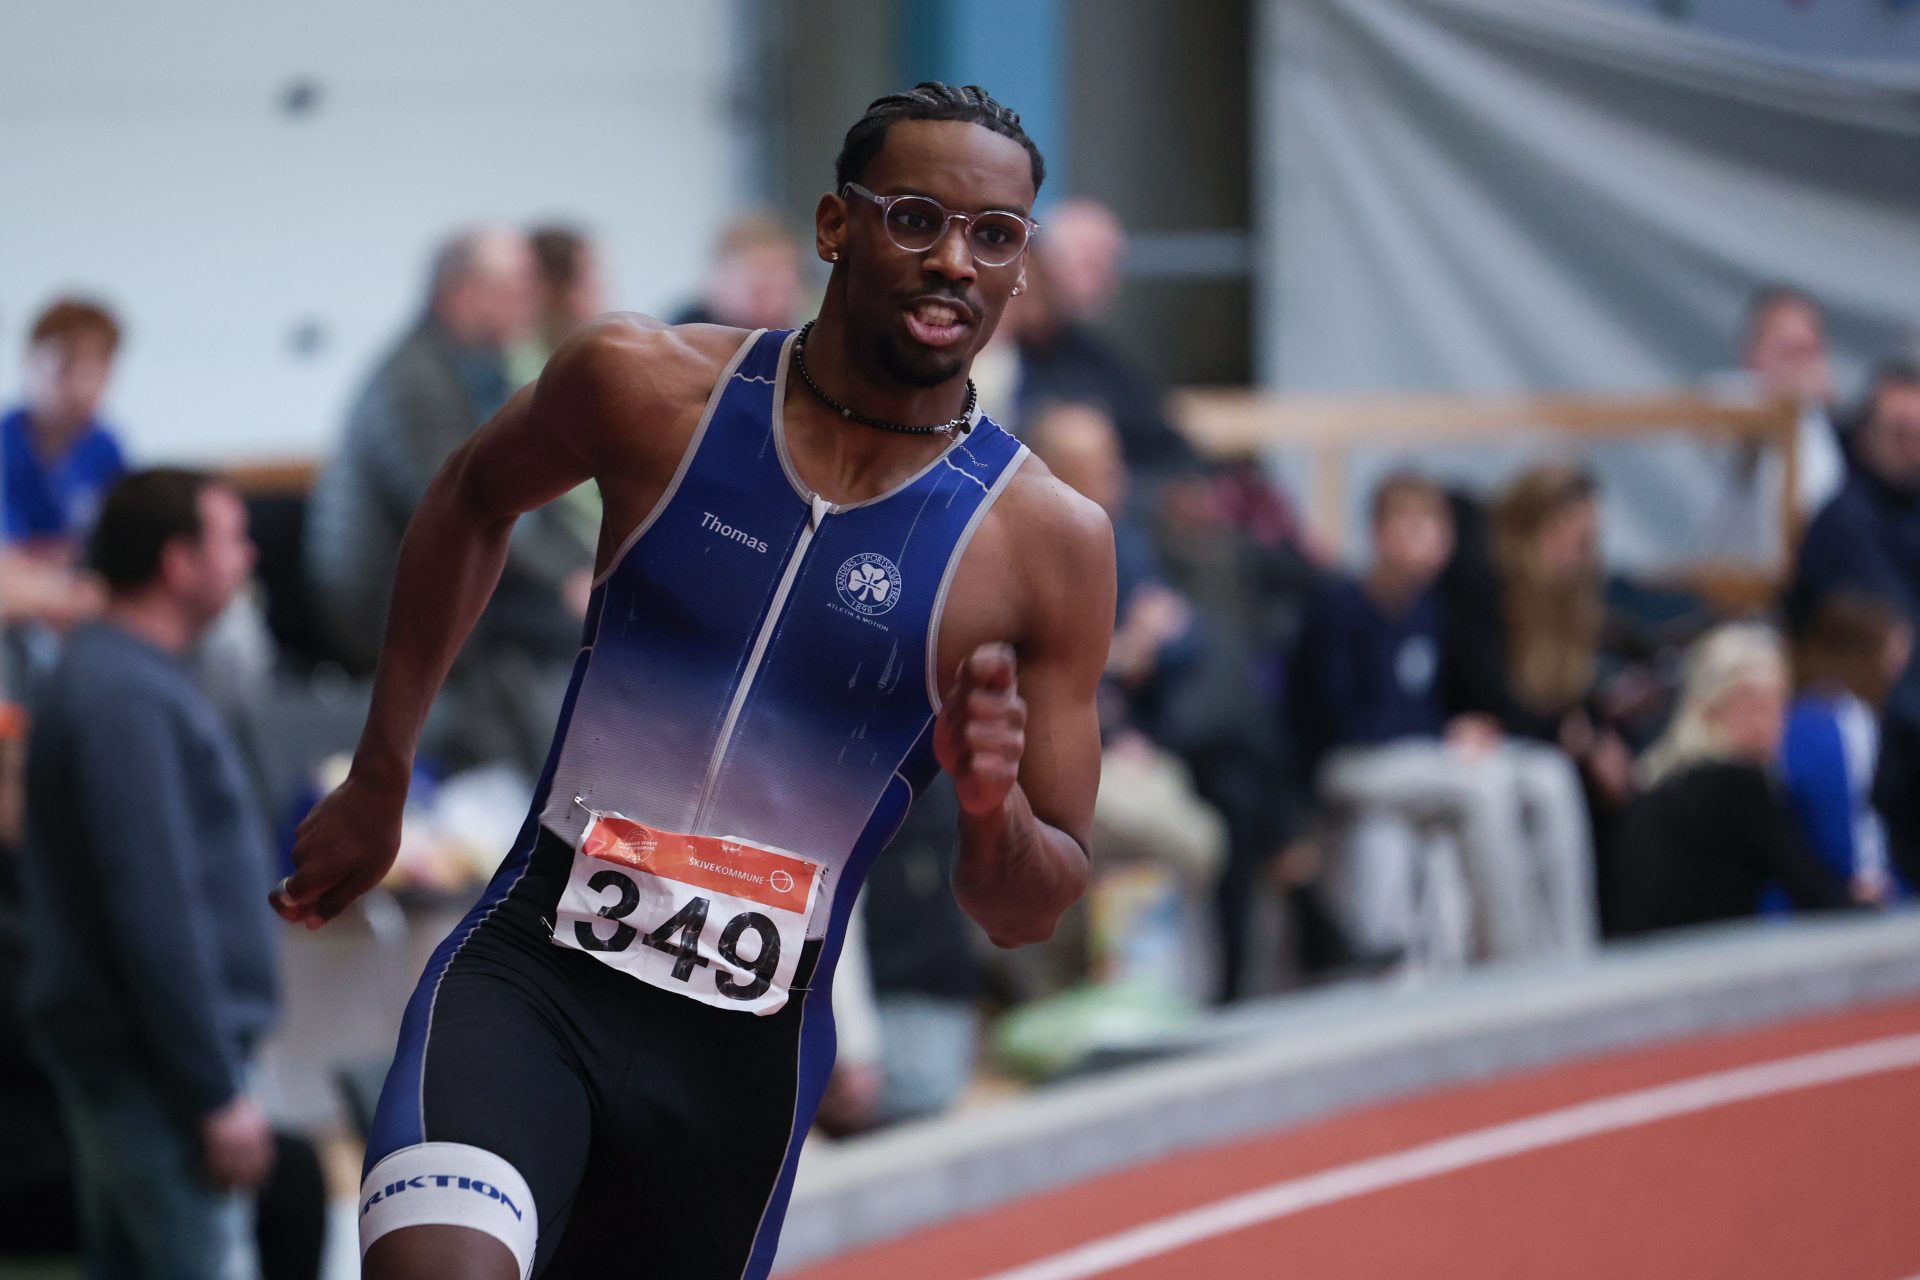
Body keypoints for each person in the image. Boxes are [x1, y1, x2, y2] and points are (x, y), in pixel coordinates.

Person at [274, 82, 1112, 1280]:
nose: (953, 260)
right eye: (917, 217)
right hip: (535, 974)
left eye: (995, 235)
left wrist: (990, 810)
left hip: (736, 1072)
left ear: (1022, 264)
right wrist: (380, 774)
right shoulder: (648, 386)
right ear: (835, 224)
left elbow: (1029, 903)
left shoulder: (1046, 543)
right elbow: (469, 495)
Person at [16, 468, 280, 1277]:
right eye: (231, 539)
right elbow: (154, 908)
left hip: (142, 1066)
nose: (248, 556)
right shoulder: (124, 697)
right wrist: (214, 1092)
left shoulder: (122, 675)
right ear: (177, 562)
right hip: (159, 1080)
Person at [1291, 472, 1594, 962]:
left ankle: (1572, 948)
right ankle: (1515, 956)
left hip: (1418, 755)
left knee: (1548, 774)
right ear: (1378, 533)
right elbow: (1339, 721)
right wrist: (1440, 733)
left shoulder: (1431, 609)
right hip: (1350, 762)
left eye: (1436, 527)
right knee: (1483, 788)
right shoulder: (1339, 606)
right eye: (1412, 526)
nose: (1427, 540)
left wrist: (1453, 731)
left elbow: (1438, 701)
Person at [306, 226, 591, 677]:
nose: (531, 300)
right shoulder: (412, 382)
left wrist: (590, 568)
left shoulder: (480, 368)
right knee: (598, 637)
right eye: (515, 288)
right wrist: (564, 582)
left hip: (473, 582)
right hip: (392, 602)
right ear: (462, 291)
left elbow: (538, 499)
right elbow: (464, 514)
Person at [1613, 624, 1852, 935]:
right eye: (1750, 705)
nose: (1766, 722)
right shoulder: (1736, 785)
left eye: (1775, 704)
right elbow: (1814, 895)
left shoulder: (1658, 778)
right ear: (1710, 706)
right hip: (1694, 958)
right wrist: (1864, 905)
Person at [1781, 593, 1913, 907]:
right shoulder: (1848, 723)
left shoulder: (1798, 716)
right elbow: (1852, 833)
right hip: (1855, 901)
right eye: (1896, 654)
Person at [2, 297, 129, 559]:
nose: (81, 387)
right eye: (65, 366)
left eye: (97, 369)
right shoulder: (6, 444)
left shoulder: (106, 449)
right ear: (30, 362)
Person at [670, 212, 805, 331]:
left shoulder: (800, 338)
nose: (771, 281)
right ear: (719, 276)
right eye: (758, 269)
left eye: (781, 286)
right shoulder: (682, 332)